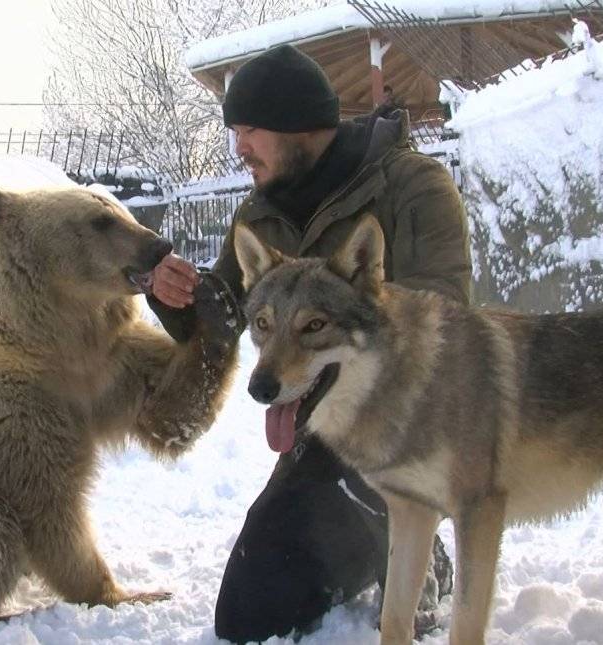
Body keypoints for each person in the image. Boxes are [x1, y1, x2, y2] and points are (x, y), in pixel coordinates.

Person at [147, 44, 472, 643]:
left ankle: (416, 543)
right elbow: (225, 315)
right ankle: (378, 542)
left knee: (360, 492)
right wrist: (176, 296)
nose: (239, 147)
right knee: (251, 610)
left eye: (249, 131)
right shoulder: (259, 210)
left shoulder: (410, 185)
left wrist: (339, 307)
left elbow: (445, 313)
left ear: (296, 125)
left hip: (406, 422)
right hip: (320, 431)